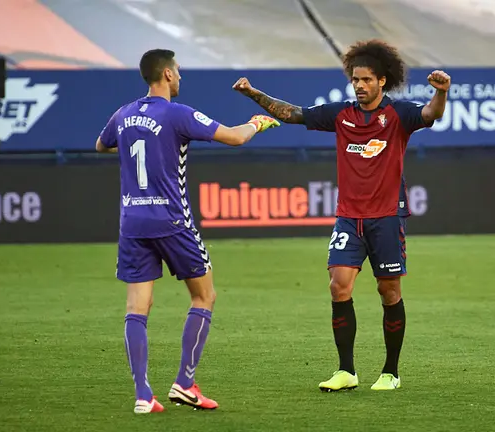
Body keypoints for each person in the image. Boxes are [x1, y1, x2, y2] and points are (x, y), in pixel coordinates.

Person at [233, 39, 450, 391]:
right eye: (355, 80)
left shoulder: (399, 114)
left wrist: (440, 93)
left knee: (388, 291)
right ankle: (346, 371)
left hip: (386, 217)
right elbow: (292, 113)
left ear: (382, 81)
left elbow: (431, 115)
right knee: (339, 286)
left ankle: (390, 372)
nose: (360, 86)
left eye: (366, 80)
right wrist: (253, 94)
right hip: (349, 217)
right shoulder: (341, 115)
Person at [96, 48, 280, 413]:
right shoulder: (177, 114)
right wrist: (257, 123)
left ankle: (143, 395)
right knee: (204, 296)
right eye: (177, 71)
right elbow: (234, 137)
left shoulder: (123, 114)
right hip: (170, 220)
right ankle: (184, 383)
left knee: (137, 308)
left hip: (132, 222)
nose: (180, 77)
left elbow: (101, 145)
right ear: (166, 74)